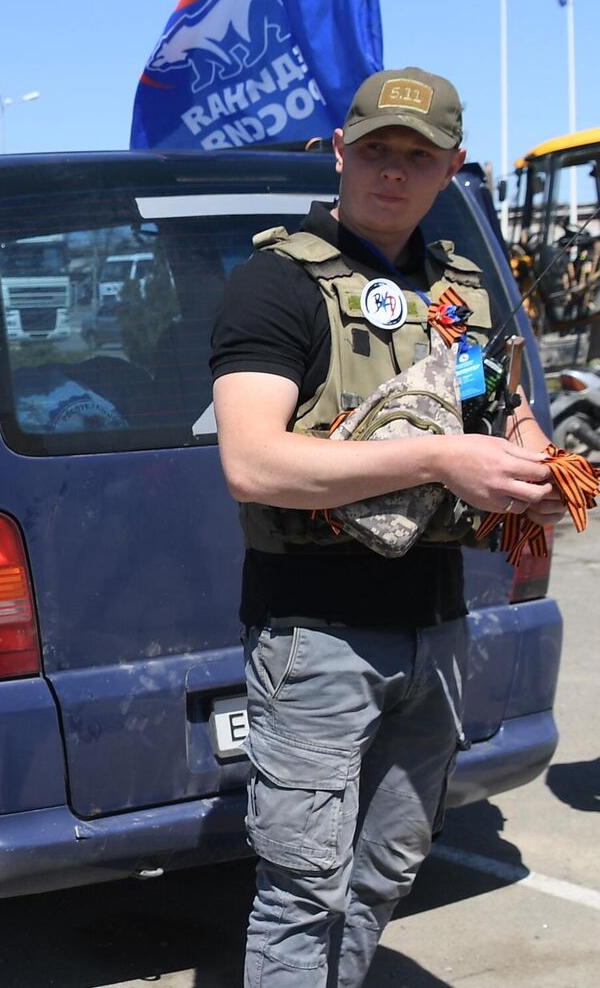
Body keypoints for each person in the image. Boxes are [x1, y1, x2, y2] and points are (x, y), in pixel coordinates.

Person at [210, 67, 563, 987]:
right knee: (303, 889)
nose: (393, 172)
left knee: (385, 870)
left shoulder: (461, 290)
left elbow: (497, 410)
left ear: (451, 168)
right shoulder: (274, 284)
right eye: (375, 149)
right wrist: (441, 462)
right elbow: (253, 461)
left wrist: (533, 463)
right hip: (317, 635)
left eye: (417, 155)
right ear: (340, 152)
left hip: (437, 625)